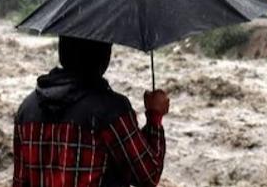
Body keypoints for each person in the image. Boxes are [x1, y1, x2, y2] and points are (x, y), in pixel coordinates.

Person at [13, 36, 169, 187]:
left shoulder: (27, 109)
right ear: (104, 56)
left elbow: (19, 182)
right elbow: (148, 175)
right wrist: (154, 117)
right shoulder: (112, 110)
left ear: (63, 50)